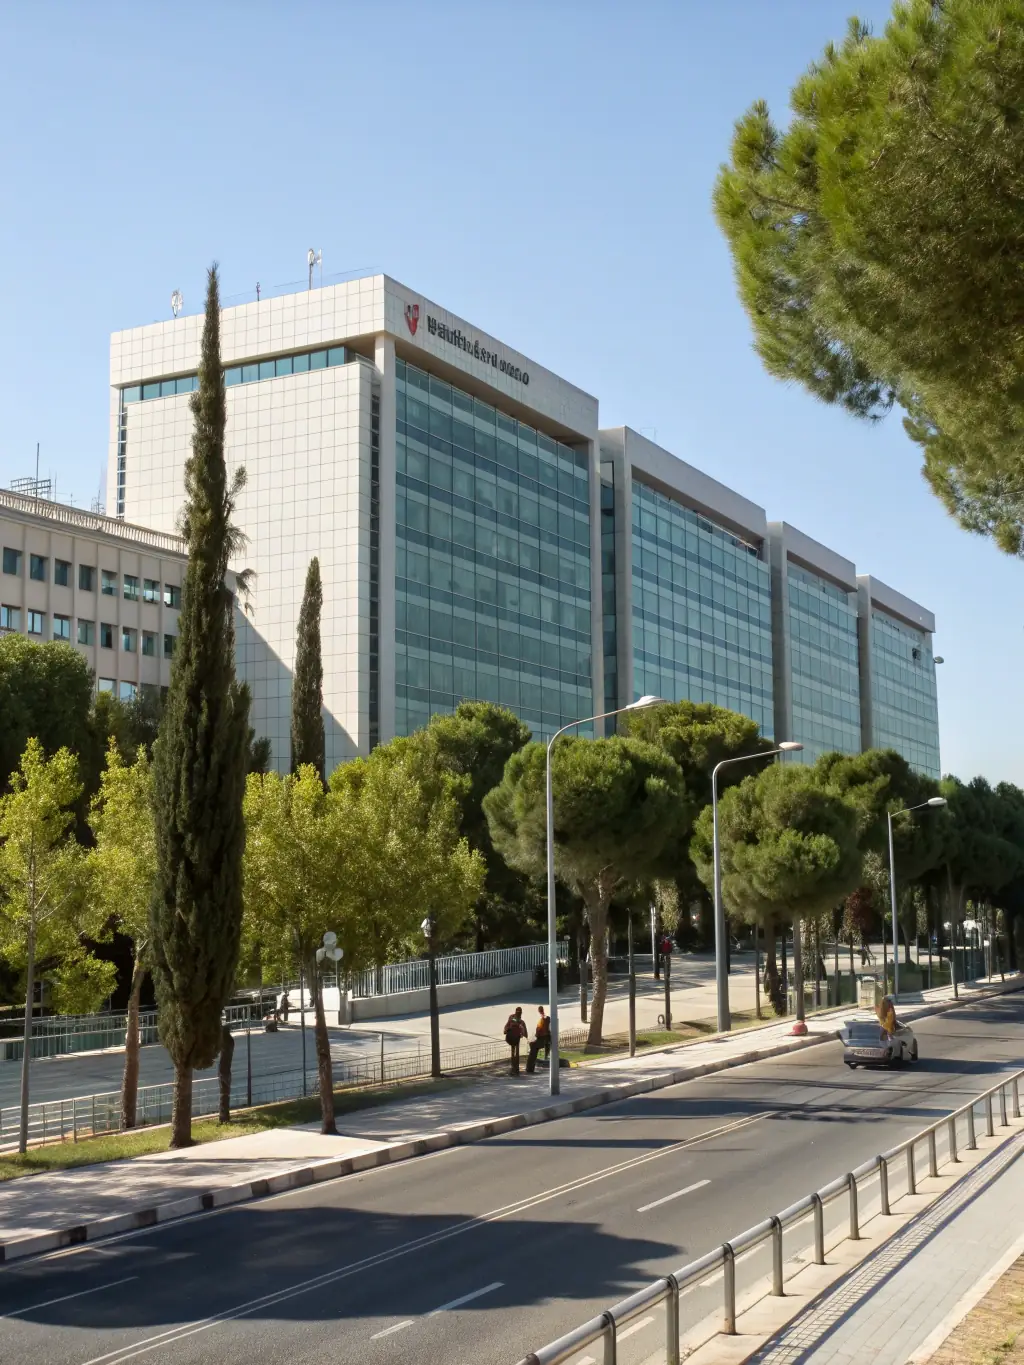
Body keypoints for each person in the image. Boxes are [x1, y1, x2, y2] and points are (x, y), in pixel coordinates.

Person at [525, 1006, 550, 1074]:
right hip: (544, 1039)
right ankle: (530, 1068)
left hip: (543, 1039)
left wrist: (536, 1035)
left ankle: (529, 1068)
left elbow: (539, 1031)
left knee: (533, 1047)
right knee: (533, 1047)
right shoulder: (545, 1018)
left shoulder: (544, 1019)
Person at [504, 1006, 527, 1075]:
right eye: (518, 1012)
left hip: (515, 1038)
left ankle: (515, 1067)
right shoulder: (518, 1020)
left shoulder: (519, 1021)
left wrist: (523, 1034)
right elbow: (509, 1024)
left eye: (519, 1012)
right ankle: (514, 1067)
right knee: (514, 1052)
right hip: (513, 1038)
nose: (519, 1013)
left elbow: (508, 1025)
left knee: (515, 1052)